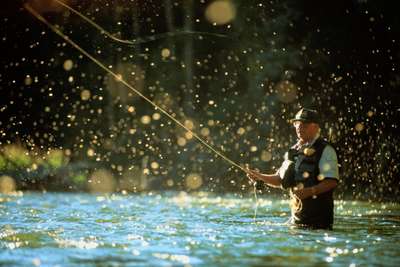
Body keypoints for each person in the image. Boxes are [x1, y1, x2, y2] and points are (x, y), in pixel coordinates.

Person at [247, 108, 339, 229]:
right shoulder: (293, 150)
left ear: (316, 127)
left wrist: (309, 192)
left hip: (319, 223)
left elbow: (331, 182)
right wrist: (259, 176)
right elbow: (280, 179)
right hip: (297, 220)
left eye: (304, 124)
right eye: (297, 124)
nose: (299, 128)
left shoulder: (326, 150)